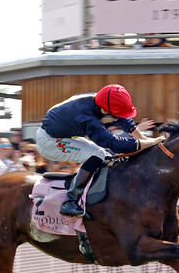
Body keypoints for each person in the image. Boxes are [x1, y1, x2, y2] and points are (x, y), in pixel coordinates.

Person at [37, 85, 165, 217]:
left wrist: (143, 138)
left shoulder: (100, 99)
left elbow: (122, 118)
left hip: (63, 134)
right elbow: (113, 143)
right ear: (104, 110)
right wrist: (146, 143)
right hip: (49, 142)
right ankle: (71, 201)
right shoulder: (86, 117)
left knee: (107, 155)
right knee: (98, 155)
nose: (115, 119)